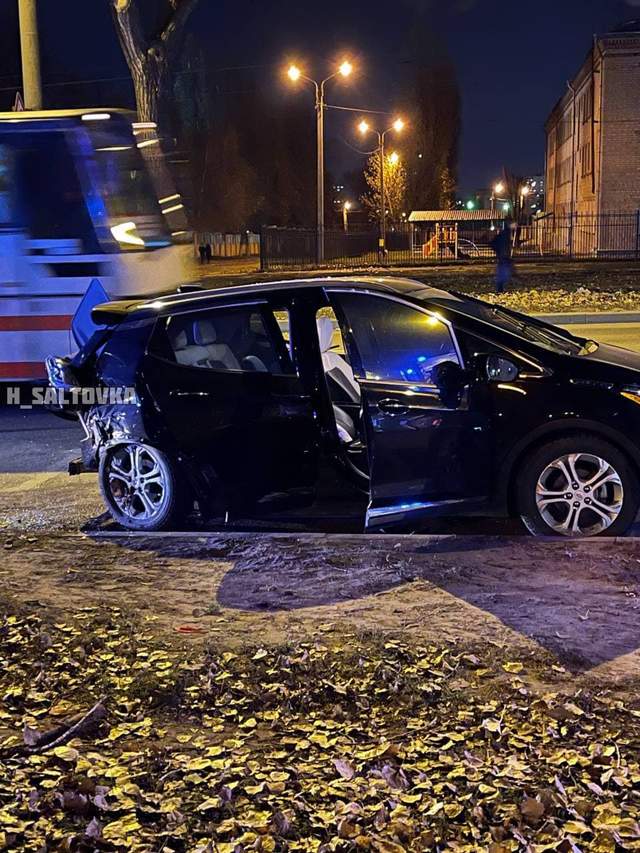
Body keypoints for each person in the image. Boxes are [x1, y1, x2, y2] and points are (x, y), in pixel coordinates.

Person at [490, 220, 514, 294]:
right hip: (503, 256)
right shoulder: (505, 233)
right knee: (503, 273)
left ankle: (501, 288)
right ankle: (500, 288)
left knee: (504, 272)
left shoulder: (504, 233)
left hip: (503, 256)